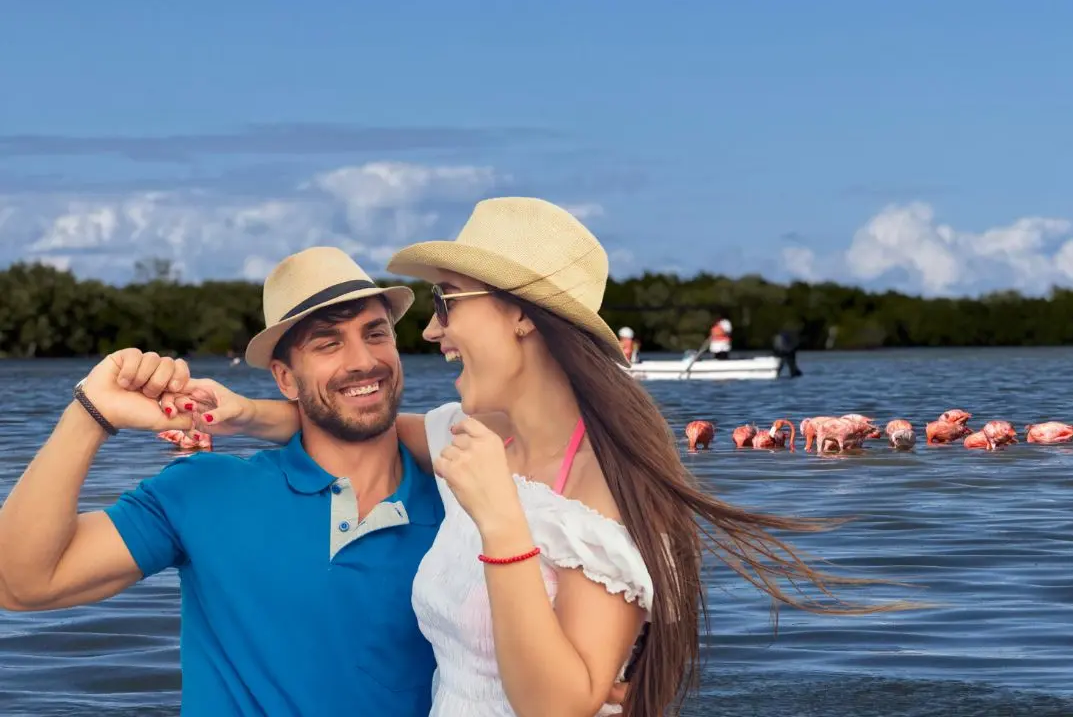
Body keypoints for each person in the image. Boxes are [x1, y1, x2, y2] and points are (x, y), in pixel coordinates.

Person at [164, 197, 904, 716]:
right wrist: (248, 414)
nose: (432, 329)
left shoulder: (600, 499)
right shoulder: (481, 439)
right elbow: (381, 430)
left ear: (520, 313)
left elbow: (558, 706)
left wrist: (503, 527)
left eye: (449, 300)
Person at [0, 246, 443, 716]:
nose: (363, 361)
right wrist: (91, 413)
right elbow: (20, 583)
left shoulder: (464, 501)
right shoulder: (204, 492)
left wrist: (253, 414)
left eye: (376, 334)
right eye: (328, 343)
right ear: (286, 379)